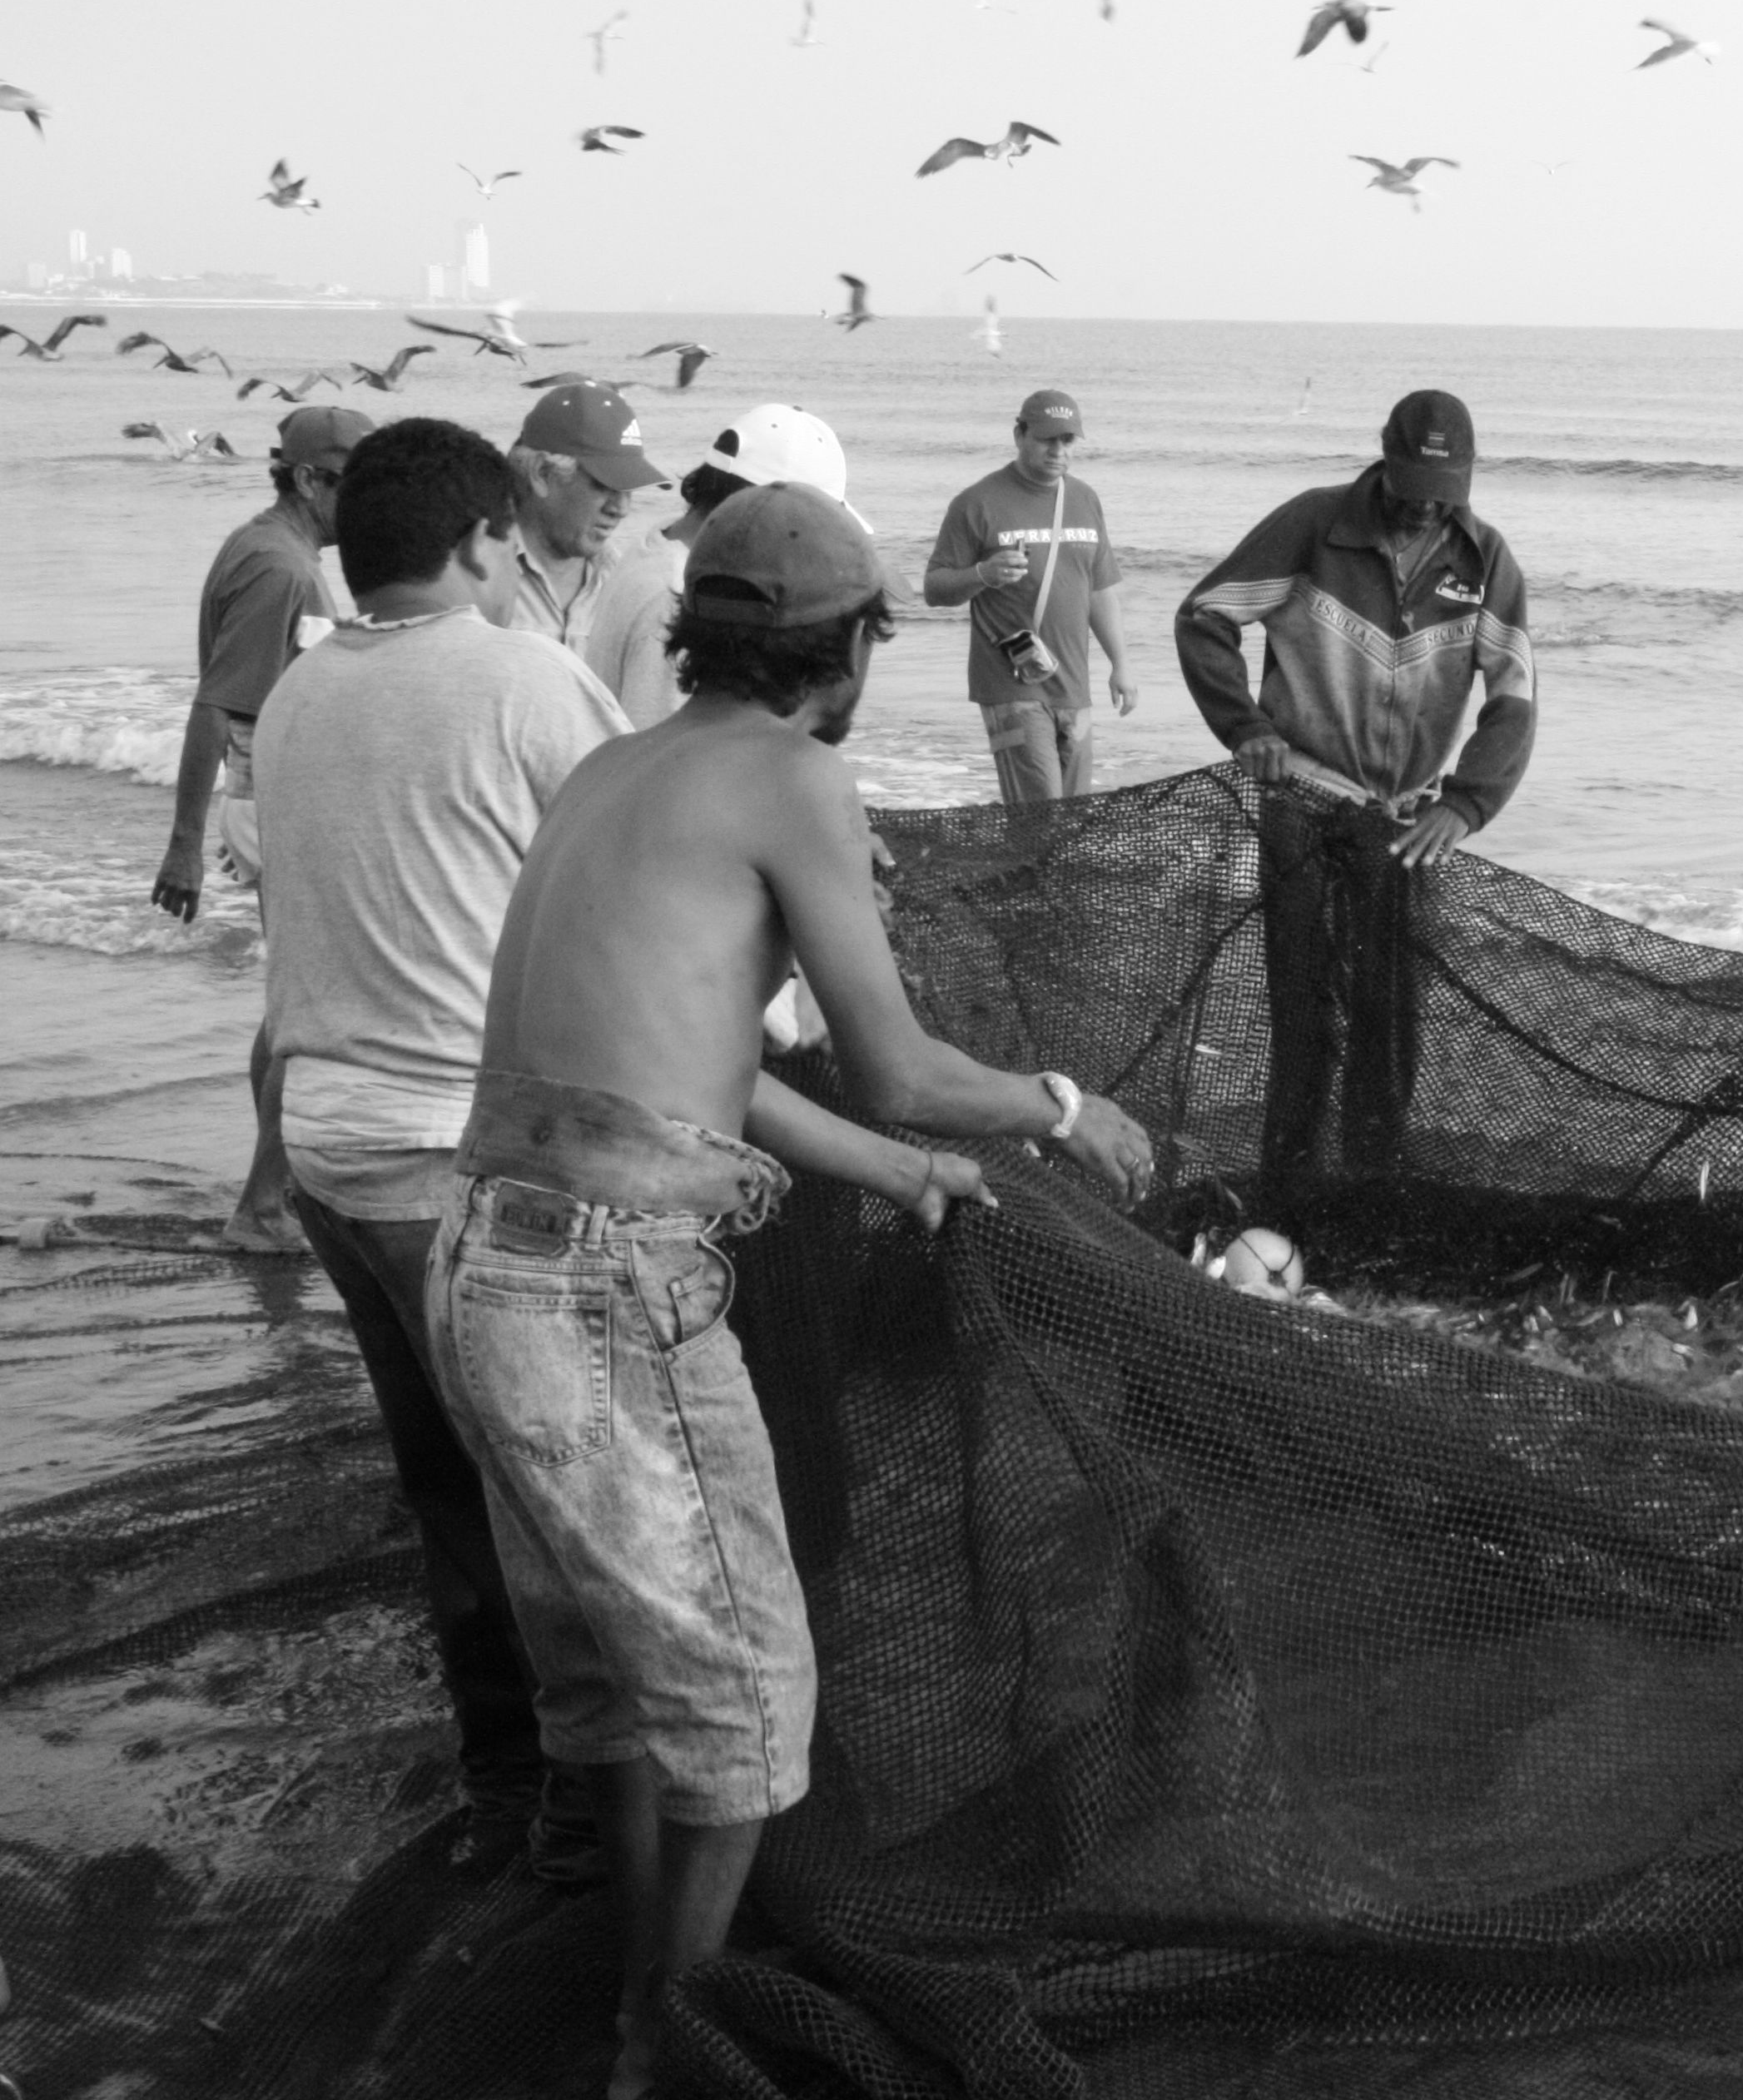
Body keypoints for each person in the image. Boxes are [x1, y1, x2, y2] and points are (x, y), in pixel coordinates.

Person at [430, 480, 1154, 2099]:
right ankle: (660, 2049)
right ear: (850, 656)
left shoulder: (616, 766)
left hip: (484, 1265)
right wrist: (1060, 1105)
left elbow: (703, 1068)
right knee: (757, 1712)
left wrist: (895, 1178)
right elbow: (896, 1061)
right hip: (613, 1295)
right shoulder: (794, 780)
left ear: (700, 631)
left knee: (625, 1697)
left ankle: (641, 1995)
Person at [251, 415, 631, 1879]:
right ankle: (585, 1816)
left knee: (448, 1486)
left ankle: (499, 1776)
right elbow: (638, 857)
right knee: (554, 1496)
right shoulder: (522, 674)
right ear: (486, 544)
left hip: (332, 1153)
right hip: (452, 1163)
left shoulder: (297, 690)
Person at [1174, 389, 1537, 1188]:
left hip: (1407, 823)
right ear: (1383, 457)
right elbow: (1204, 617)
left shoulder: (1484, 561)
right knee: (1305, 1013)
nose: (1423, 514)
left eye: (1443, 500)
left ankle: (1372, 1182)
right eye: (1412, 493)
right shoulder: (1313, 525)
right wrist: (1247, 729)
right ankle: (1291, 1183)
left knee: (1391, 1016)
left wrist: (1466, 802)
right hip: (1302, 803)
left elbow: (1513, 699)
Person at [149, 404, 372, 1250]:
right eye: (357, 484)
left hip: (270, 797)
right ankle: (265, 1207)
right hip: (267, 799)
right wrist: (182, 846)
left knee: (292, 1009)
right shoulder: (281, 569)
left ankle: (275, 1194)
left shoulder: (265, 547)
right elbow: (218, 702)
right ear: (312, 479)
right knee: (306, 1014)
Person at [921, 389, 1137, 802]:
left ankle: (1041, 870)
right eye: (1046, 439)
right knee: (1039, 811)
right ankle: (1032, 868)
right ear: (1019, 435)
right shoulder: (977, 503)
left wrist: (1121, 665)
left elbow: (1101, 588)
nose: (1058, 451)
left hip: (1072, 682)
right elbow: (935, 588)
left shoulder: (1084, 499)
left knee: (1070, 811)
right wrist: (984, 573)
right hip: (1010, 682)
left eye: (1068, 441)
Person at [610, 405, 867, 727]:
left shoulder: (662, 548)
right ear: (762, 510)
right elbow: (657, 757)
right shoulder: (679, 597)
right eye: (806, 530)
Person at [489, 380, 674, 701]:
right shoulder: (475, 574)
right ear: (542, 475)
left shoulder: (625, 581)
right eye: (605, 486)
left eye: (629, 489)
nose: (622, 508)